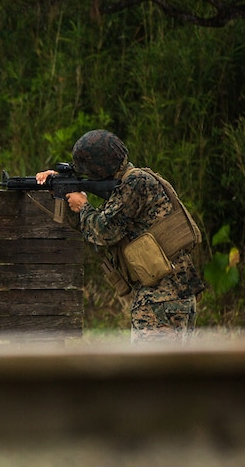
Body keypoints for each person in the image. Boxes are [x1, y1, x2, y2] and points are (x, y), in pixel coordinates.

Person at [36, 129, 205, 341]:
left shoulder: (135, 183)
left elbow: (104, 232)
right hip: (167, 295)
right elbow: (92, 229)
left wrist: (84, 205)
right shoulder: (129, 183)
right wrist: (60, 193)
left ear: (99, 167)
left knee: (151, 370)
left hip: (163, 298)